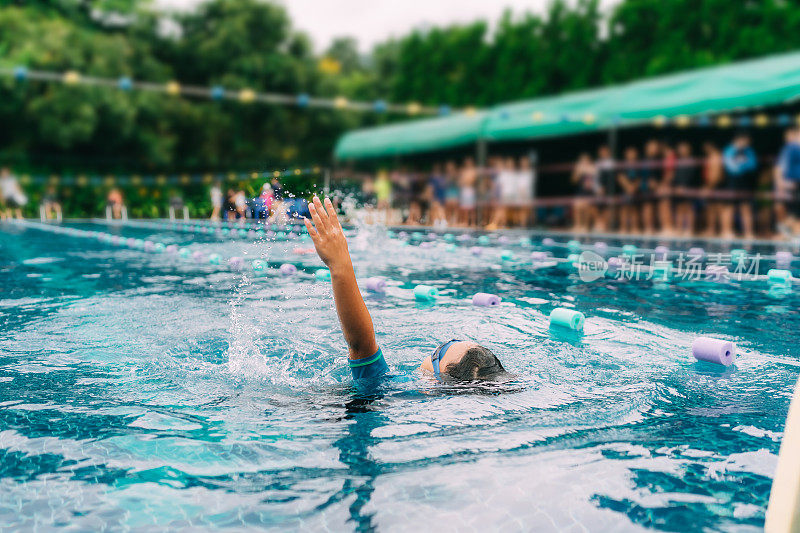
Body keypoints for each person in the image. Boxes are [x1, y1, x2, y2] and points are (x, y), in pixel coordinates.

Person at [302, 195, 507, 382]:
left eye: (439, 351)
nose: (435, 349)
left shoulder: (392, 390)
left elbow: (361, 345)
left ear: (435, 379)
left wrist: (340, 265)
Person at [722, 133, 757, 239]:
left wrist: (741, 166)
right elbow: (731, 168)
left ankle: (749, 233)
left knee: (746, 207)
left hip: (745, 183)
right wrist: (742, 166)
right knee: (729, 207)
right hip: (731, 183)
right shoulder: (729, 150)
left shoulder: (749, 151)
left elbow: (753, 165)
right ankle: (726, 231)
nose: (746, 143)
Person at [775, 127, 800, 236]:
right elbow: (779, 167)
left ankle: (787, 231)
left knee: (795, 212)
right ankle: (785, 230)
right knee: (794, 212)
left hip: (795, 184)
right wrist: (780, 183)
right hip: (793, 184)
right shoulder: (790, 148)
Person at [672, 142, 699, 237]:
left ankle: (689, 229)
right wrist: (677, 187)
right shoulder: (677, 161)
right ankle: (679, 229)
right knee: (679, 209)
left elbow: (693, 176)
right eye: (681, 148)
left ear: (689, 149)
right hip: (678, 188)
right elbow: (675, 176)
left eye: (684, 148)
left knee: (689, 209)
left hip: (689, 188)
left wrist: (685, 187)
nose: (682, 150)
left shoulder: (692, 161)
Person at [570, 153, 598, 232]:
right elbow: (573, 181)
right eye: (582, 160)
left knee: (587, 206)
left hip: (589, 193)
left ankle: (586, 226)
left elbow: (595, 182)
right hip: (580, 192)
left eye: (586, 160)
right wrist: (578, 172)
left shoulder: (593, 168)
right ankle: (577, 225)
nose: (584, 162)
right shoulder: (579, 168)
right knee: (577, 206)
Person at [702, 142, 724, 237]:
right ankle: (712, 229)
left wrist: (709, 187)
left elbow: (716, 175)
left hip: (716, 186)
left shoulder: (715, 156)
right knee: (711, 208)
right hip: (713, 185)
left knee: (716, 209)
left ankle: (714, 230)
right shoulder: (712, 156)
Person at [616, 147, 641, 234]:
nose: (631, 155)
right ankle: (623, 228)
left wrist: (634, 187)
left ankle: (635, 228)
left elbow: (640, 178)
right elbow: (620, 177)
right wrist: (627, 186)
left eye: (633, 153)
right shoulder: (623, 165)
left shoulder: (638, 165)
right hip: (625, 190)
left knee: (634, 209)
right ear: (626, 154)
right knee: (624, 208)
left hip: (635, 190)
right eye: (630, 153)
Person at [595, 145, 615, 232]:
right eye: (601, 151)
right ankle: (599, 222)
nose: (603, 153)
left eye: (605, 151)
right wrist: (598, 189)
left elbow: (610, 178)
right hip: (598, 190)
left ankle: (605, 225)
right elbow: (595, 178)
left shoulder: (612, 163)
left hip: (609, 190)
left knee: (607, 205)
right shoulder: (597, 163)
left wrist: (604, 188)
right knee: (594, 204)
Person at [458, 157, 478, 227]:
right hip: (464, 190)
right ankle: (465, 222)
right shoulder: (463, 171)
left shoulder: (473, 170)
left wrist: (465, 181)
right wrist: (465, 181)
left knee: (472, 209)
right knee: (465, 208)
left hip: (470, 190)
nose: (468, 163)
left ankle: (473, 223)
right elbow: (460, 182)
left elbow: (472, 181)